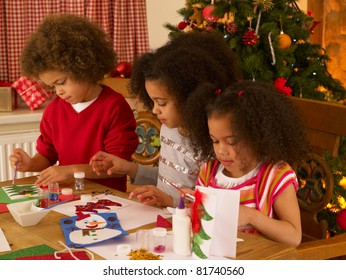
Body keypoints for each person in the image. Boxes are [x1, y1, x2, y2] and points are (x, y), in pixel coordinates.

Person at [90, 32, 242, 207]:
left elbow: (212, 205)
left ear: (191, 96)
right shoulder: (169, 128)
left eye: (161, 103)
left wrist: (170, 202)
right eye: (153, 101)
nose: (155, 110)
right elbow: (171, 181)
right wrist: (129, 168)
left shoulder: (214, 144)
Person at [8, 14, 138, 192]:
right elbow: (47, 155)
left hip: (109, 199)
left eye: (61, 83)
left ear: (84, 67)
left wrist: (71, 170)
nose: (58, 92)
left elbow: (117, 167)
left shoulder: (114, 106)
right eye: (52, 86)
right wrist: (30, 164)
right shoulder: (54, 110)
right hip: (68, 198)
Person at [184, 80, 309, 247]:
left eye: (232, 142)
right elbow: (204, 224)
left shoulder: (276, 175)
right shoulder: (209, 171)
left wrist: (251, 216)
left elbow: (293, 237)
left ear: (257, 137)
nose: (221, 150)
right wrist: (193, 206)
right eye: (215, 141)